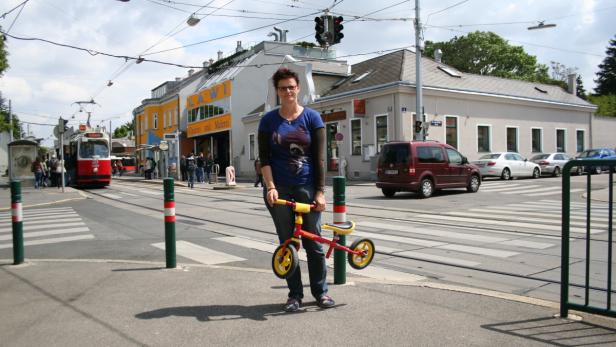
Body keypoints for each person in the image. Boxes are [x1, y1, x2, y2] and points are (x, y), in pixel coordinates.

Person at [258, 67, 332, 313]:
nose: (288, 91)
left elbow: (320, 158)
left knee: (313, 243)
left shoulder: (312, 118)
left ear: (298, 88)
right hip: (279, 189)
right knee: (288, 243)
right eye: (282, 88)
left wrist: (320, 192)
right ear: (277, 91)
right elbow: (264, 159)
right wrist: (270, 188)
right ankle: (294, 295)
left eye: (291, 87)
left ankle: (321, 292)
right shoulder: (268, 121)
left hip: (307, 186)